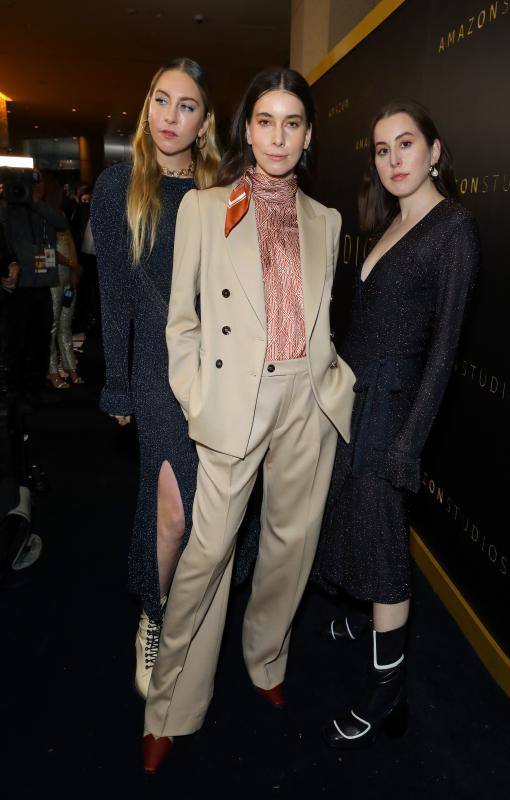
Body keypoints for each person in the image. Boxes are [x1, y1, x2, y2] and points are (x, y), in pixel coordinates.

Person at [142, 66, 355, 773]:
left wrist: (330, 389)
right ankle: (170, 703)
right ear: (245, 130)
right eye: (265, 121)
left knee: (290, 547)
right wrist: (198, 400)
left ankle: (266, 660)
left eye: (291, 122)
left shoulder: (326, 220)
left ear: (308, 136)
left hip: (307, 402)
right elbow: (181, 326)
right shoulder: (205, 208)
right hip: (233, 399)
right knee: (205, 558)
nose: (277, 136)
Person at [314, 100, 480, 748]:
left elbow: (444, 351)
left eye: (404, 144)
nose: (392, 160)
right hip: (355, 402)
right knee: (351, 520)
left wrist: (407, 444)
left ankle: (387, 693)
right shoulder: (388, 222)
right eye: (381, 149)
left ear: (434, 151)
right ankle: (366, 620)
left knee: (384, 550)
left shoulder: (453, 229)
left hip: (393, 411)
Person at [91, 57, 220, 700]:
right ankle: (156, 613)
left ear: (203, 122)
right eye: (162, 101)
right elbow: (115, 294)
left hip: (220, 370)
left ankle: (198, 613)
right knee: (171, 512)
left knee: (211, 512)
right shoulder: (120, 187)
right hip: (156, 369)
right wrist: (117, 383)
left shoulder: (224, 188)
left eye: (186, 106)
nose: (171, 117)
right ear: (147, 109)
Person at [2, 171, 67, 403]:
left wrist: (36, 201)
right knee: (18, 341)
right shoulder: (7, 212)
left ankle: (36, 385)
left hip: (43, 286)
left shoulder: (43, 209)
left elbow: (62, 223)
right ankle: (16, 387)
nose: (23, 191)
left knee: (41, 339)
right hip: (19, 287)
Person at [43, 173, 83, 389]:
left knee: (66, 323)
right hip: (53, 275)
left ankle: (71, 367)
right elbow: (47, 250)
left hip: (68, 274)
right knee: (54, 324)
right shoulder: (41, 216)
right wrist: (70, 263)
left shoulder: (58, 214)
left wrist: (75, 267)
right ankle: (52, 371)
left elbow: (70, 241)